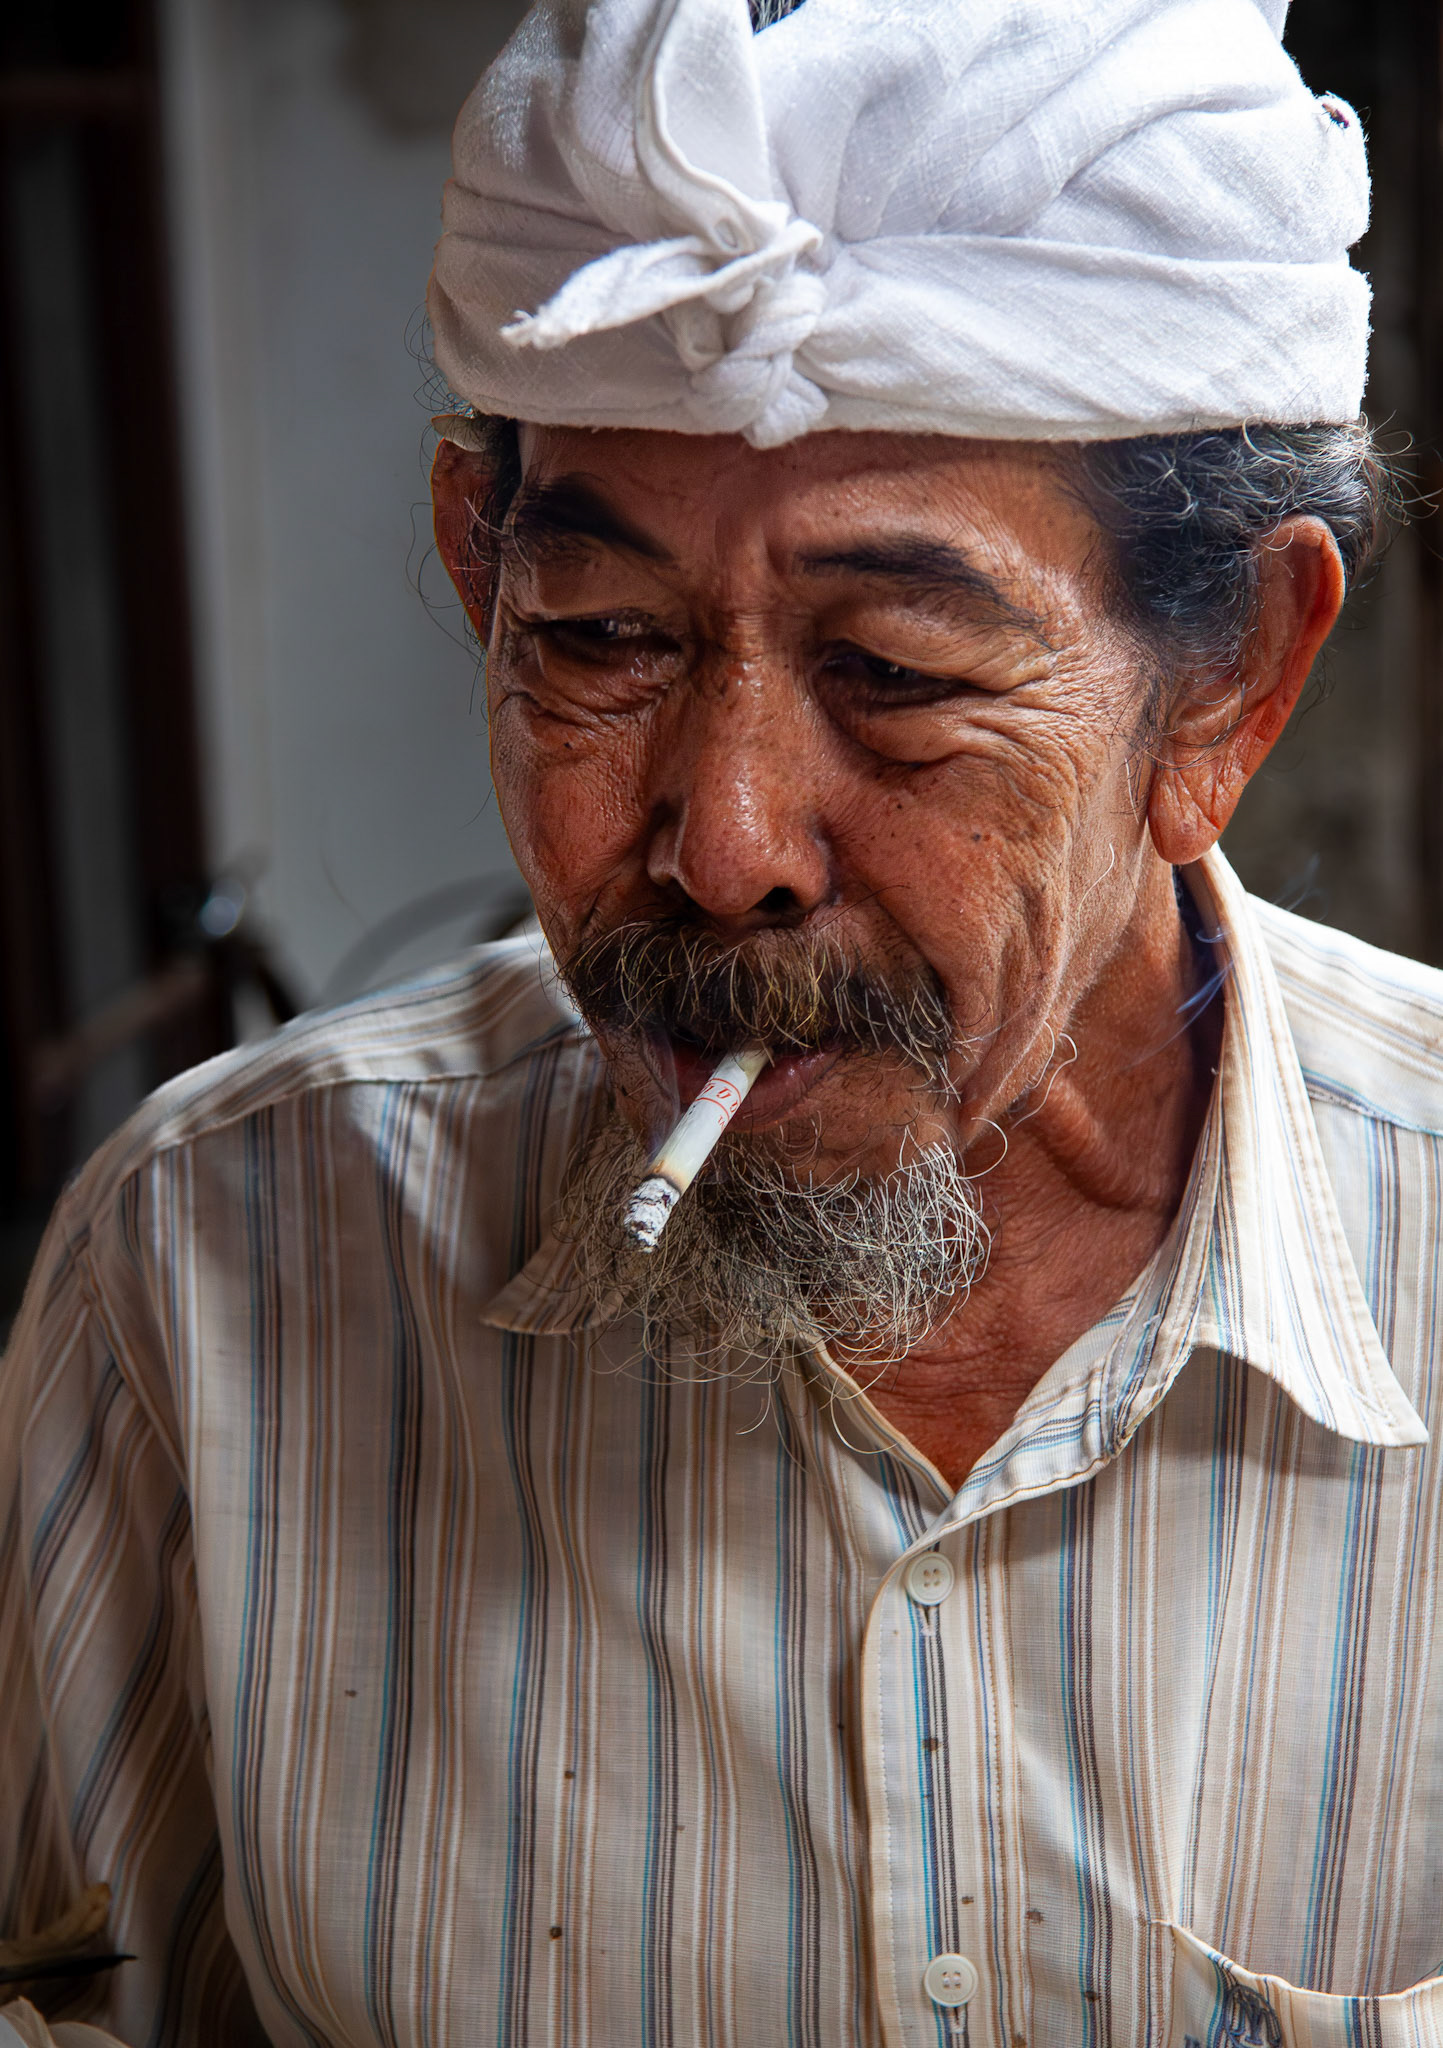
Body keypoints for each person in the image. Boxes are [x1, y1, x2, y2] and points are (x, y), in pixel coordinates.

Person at [3, 0, 1441, 2041]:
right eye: (595, 642)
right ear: (470, 574)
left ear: (1223, 686)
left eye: (894, 665)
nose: (723, 839)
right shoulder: (207, 1277)